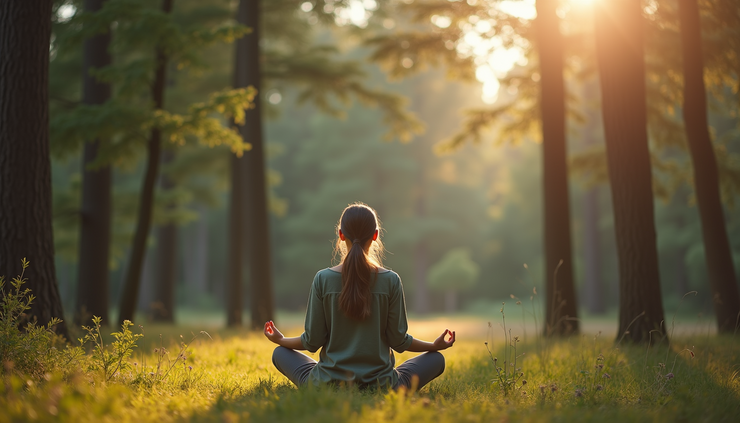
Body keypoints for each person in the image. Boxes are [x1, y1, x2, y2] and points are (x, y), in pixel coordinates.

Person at [263, 202, 455, 390]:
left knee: (280, 353)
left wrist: (281, 341)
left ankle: (322, 382)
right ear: (376, 235)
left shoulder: (323, 279)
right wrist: (433, 346)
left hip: (327, 383)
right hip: (383, 385)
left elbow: (312, 341)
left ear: (340, 235)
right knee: (436, 359)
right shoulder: (391, 280)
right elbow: (399, 341)